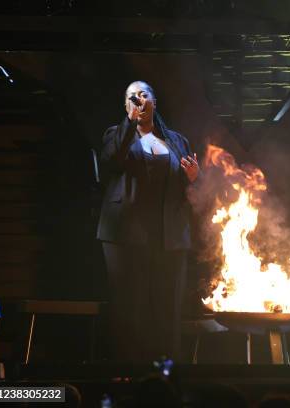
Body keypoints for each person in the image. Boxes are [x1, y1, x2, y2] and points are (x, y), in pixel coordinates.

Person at [97, 81, 199, 362]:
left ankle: (167, 375)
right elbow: (108, 163)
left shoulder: (176, 140)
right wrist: (129, 123)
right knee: (131, 307)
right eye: (132, 96)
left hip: (169, 233)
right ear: (126, 106)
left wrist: (192, 178)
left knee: (168, 309)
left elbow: (188, 191)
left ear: (154, 102)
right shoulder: (117, 135)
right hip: (125, 234)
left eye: (144, 94)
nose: (139, 99)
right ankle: (128, 374)